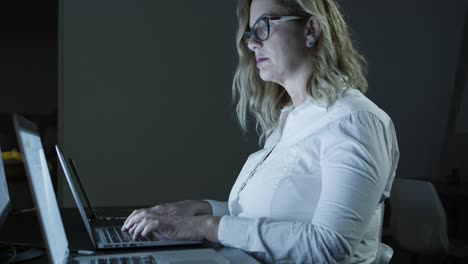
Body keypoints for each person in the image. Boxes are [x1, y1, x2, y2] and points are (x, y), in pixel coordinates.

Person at [122, 0, 400, 262]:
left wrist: (206, 226)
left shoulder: (354, 121)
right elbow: (269, 216)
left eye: (264, 27)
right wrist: (197, 209)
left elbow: (329, 246)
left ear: (311, 30)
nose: (253, 43)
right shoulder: (290, 120)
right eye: (250, 33)